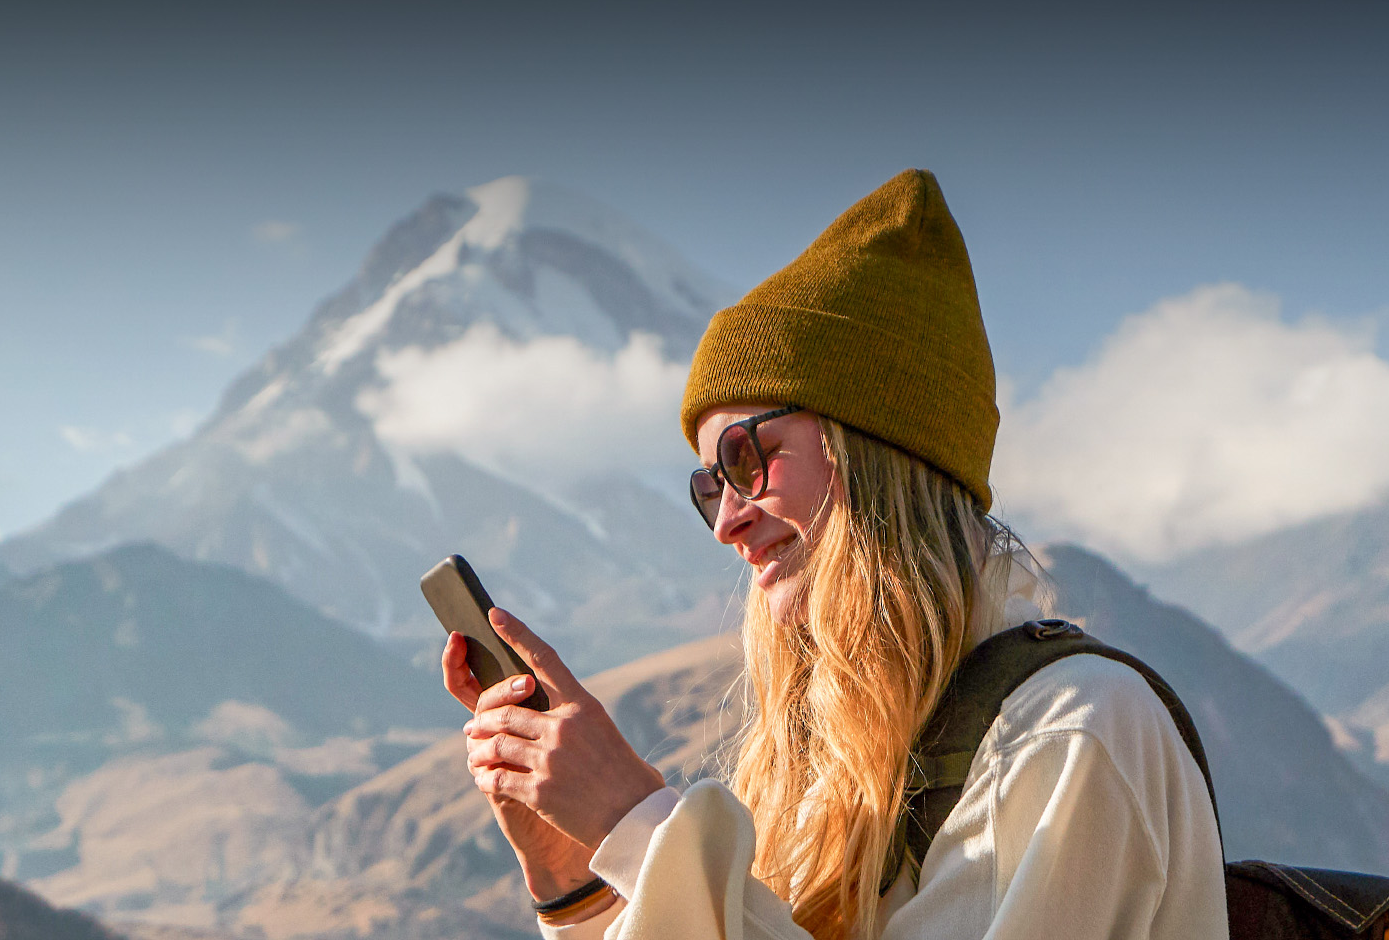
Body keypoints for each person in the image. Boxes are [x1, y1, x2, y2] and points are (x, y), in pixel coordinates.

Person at [442, 170, 1225, 940]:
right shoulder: (842, 757)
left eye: (750, 459)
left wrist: (639, 826)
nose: (728, 524)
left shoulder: (1072, 731)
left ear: (878, 450)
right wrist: (575, 883)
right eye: (710, 485)